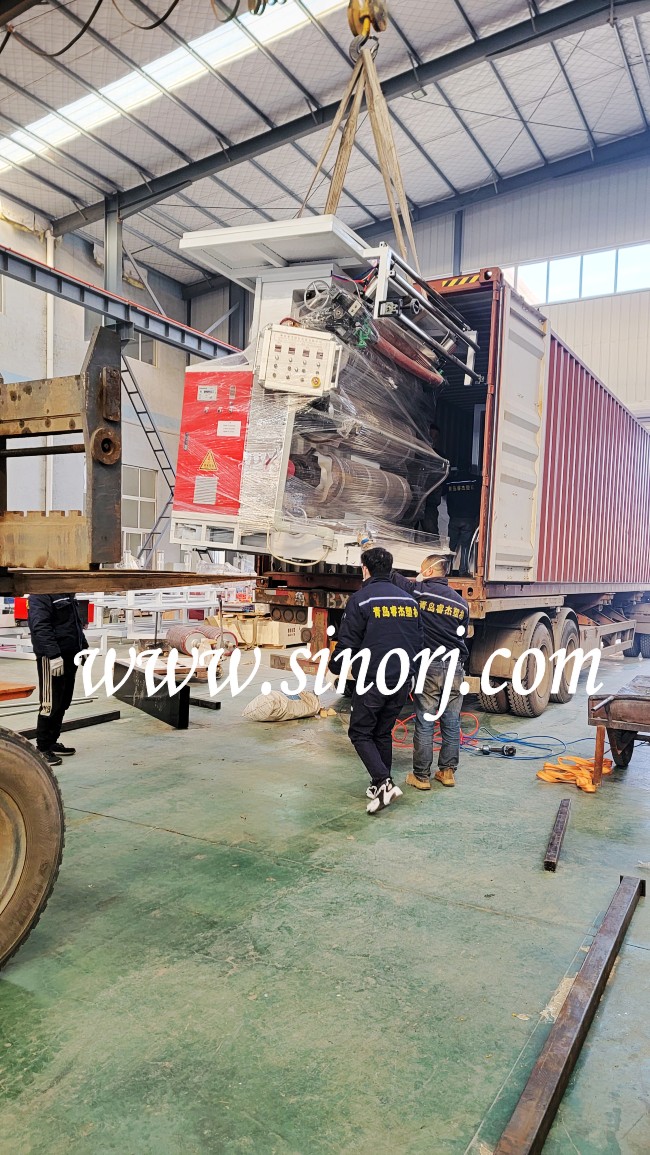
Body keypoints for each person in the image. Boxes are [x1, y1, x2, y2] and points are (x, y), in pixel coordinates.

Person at [330, 547, 424, 815]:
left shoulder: (361, 599)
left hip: (372, 679)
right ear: (390, 569)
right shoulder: (410, 602)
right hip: (401, 678)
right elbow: (419, 642)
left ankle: (384, 782)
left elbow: (348, 640)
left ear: (365, 569)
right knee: (382, 732)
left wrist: (336, 666)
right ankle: (379, 783)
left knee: (360, 732)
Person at [390, 554, 469, 790]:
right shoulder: (461, 603)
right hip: (455, 667)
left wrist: (370, 547)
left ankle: (421, 776)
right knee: (451, 721)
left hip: (430, 666)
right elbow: (462, 634)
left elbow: (393, 577)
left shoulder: (420, 592)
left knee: (425, 721)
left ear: (430, 570)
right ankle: (447, 772)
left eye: (422, 569)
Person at [28, 593, 88, 766]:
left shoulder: (65, 592)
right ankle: (42, 748)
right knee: (50, 703)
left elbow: (75, 625)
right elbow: (40, 626)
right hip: (52, 658)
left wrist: (83, 648)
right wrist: (53, 655)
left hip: (70, 655)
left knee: (63, 701)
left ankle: (52, 741)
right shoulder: (40, 594)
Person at [444, 467, 481, 576]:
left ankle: (446, 570)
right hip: (468, 519)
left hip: (454, 518)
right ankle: (463, 571)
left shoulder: (450, 481)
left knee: (451, 546)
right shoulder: (474, 480)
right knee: (466, 546)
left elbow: (442, 492)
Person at [420, 423, 445, 537]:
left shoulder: (440, 457)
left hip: (430, 501)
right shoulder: (417, 453)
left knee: (430, 531)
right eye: (431, 436)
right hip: (413, 498)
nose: (432, 439)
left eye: (435, 437)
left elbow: (443, 478)